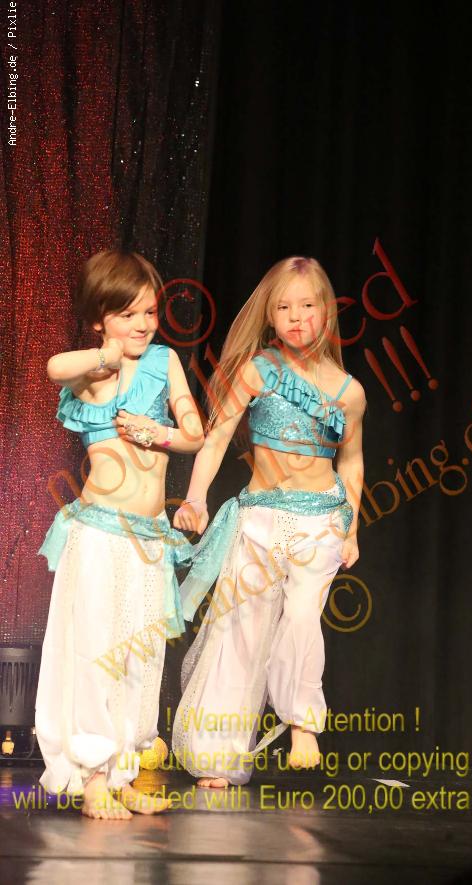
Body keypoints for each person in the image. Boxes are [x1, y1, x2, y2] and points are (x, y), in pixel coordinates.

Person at [172, 255, 365, 787]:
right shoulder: (259, 370)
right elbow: (216, 437)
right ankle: (218, 754)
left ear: (327, 311)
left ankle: (303, 722)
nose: (296, 318)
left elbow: (351, 462)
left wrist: (352, 528)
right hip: (259, 517)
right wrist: (196, 498)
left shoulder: (349, 392)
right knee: (242, 629)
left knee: (302, 616)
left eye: (307, 306)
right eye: (284, 308)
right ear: (270, 315)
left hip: (321, 520)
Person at [35, 250, 204, 819]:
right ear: (99, 317)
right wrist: (105, 354)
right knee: (97, 651)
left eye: (149, 312)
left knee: (140, 653)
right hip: (101, 533)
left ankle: (123, 771)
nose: (142, 324)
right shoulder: (92, 371)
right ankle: (91, 777)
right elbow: (54, 367)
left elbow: (195, 433)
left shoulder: (165, 361)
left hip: (149, 538)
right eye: (127, 313)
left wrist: (158, 432)